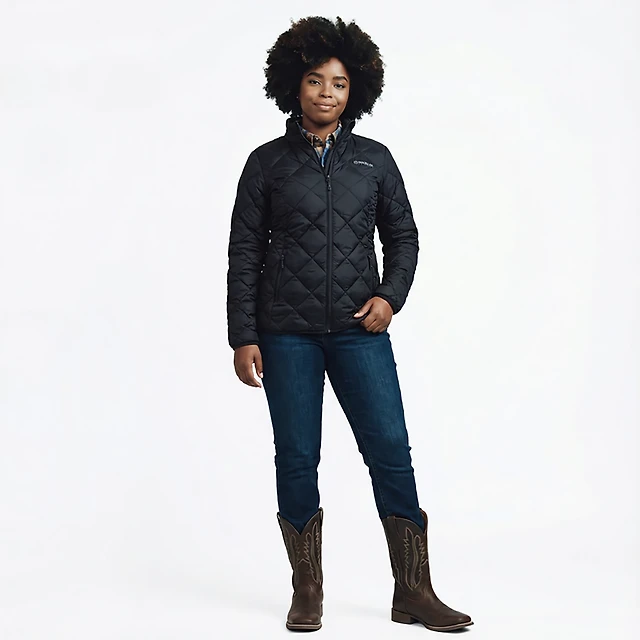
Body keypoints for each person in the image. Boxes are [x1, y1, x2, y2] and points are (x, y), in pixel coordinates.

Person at [226, 15, 473, 634]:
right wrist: (244, 335)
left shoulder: (375, 161)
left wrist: (391, 297)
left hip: (360, 332)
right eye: (315, 80)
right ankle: (307, 589)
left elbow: (404, 238)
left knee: (390, 451)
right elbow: (244, 251)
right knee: (297, 456)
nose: (327, 93)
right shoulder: (265, 164)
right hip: (285, 333)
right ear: (294, 84)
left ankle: (413, 590)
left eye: (338, 83)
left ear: (355, 89)